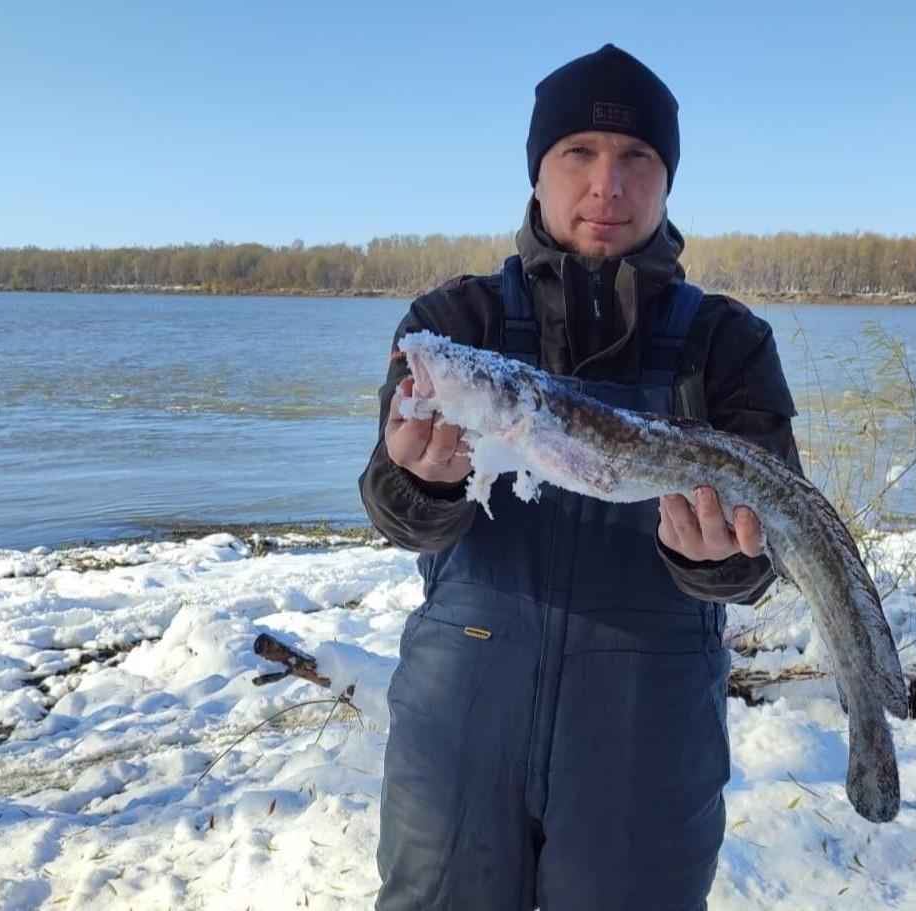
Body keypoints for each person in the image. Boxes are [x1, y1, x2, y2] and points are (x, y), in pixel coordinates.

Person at [358, 43, 802, 911]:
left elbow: (761, 560)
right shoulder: (453, 324)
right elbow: (395, 512)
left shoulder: (727, 343)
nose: (608, 183)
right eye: (579, 153)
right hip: (459, 720)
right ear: (538, 170)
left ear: (667, 179)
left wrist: (718, 559)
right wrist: (425, 484)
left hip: (646, 733)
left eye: (637, 156)